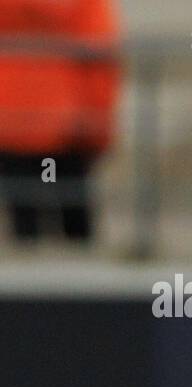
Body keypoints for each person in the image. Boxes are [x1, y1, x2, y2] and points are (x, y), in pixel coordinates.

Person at [0, 0, 120, 243]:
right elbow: (100, 59)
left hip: (11, 122)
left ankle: (28, 277)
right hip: (69, 124)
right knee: (76, 223)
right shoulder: (85, 6)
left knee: (24, 227)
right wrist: (99, 130)